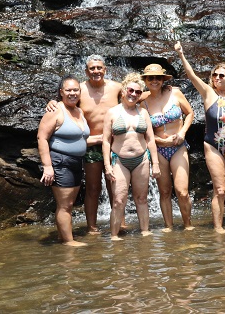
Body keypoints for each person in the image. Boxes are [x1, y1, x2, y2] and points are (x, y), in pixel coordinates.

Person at [174, 41, 225, 233]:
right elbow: (191, 76)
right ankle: (218, 228)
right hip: (214, 146)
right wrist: (181, 54)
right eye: (214, 75)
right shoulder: (209, 93)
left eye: (221, 75)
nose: (216, 78)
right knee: (220, 190)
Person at [47, 55, 123, 234]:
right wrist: (52, 102)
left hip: (114, 145)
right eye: (92, 68)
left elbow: (137, 94)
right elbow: (65, 102)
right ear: (86, 71)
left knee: (116, 187)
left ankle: (120, 223)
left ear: (105, 69)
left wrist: (165, 89)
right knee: (93, 187)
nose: (96, 71)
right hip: (91, 146)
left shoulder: (116, 87)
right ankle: (92, 227)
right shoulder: (79, 89)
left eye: (99, 68)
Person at [102, 73, 161, 240]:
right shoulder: (112, 113)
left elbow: (150, 139)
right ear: (123, 91)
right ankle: (114, 236)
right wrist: (107, 165)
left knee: (142, 198)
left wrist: (155, 164)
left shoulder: (143, 113)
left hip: (141, 159)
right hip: (119, 160)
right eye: (131, 90)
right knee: (119, 201)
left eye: (137, 92)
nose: (133, 94)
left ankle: (145, 232)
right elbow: (106, 141)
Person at [141, 63, 195, 231]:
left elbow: (190, 113)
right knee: (164, 192)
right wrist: (159, 141)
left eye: (158, 78)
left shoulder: (175, 93)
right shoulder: (143, 102)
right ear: (146, 81)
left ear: (163, 79)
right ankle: (168, 227)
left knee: (182, 191)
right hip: (159, 150)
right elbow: (144, 132)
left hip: (178, 146)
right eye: (151, 78)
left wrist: (183, 132)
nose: (154, 81)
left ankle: (188, 225)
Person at [37, 76, 90, 246]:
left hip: (76, 162)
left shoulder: (79, 111)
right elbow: (42, 138)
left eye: (76, 90)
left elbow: (81, 138)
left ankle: (63, 238)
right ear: (61, 92)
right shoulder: (55, 111)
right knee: (65, 204)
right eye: (68, 90)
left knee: (69, 204)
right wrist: (47, 167)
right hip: (60, 162)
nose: (72, 93)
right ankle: (69, 242)